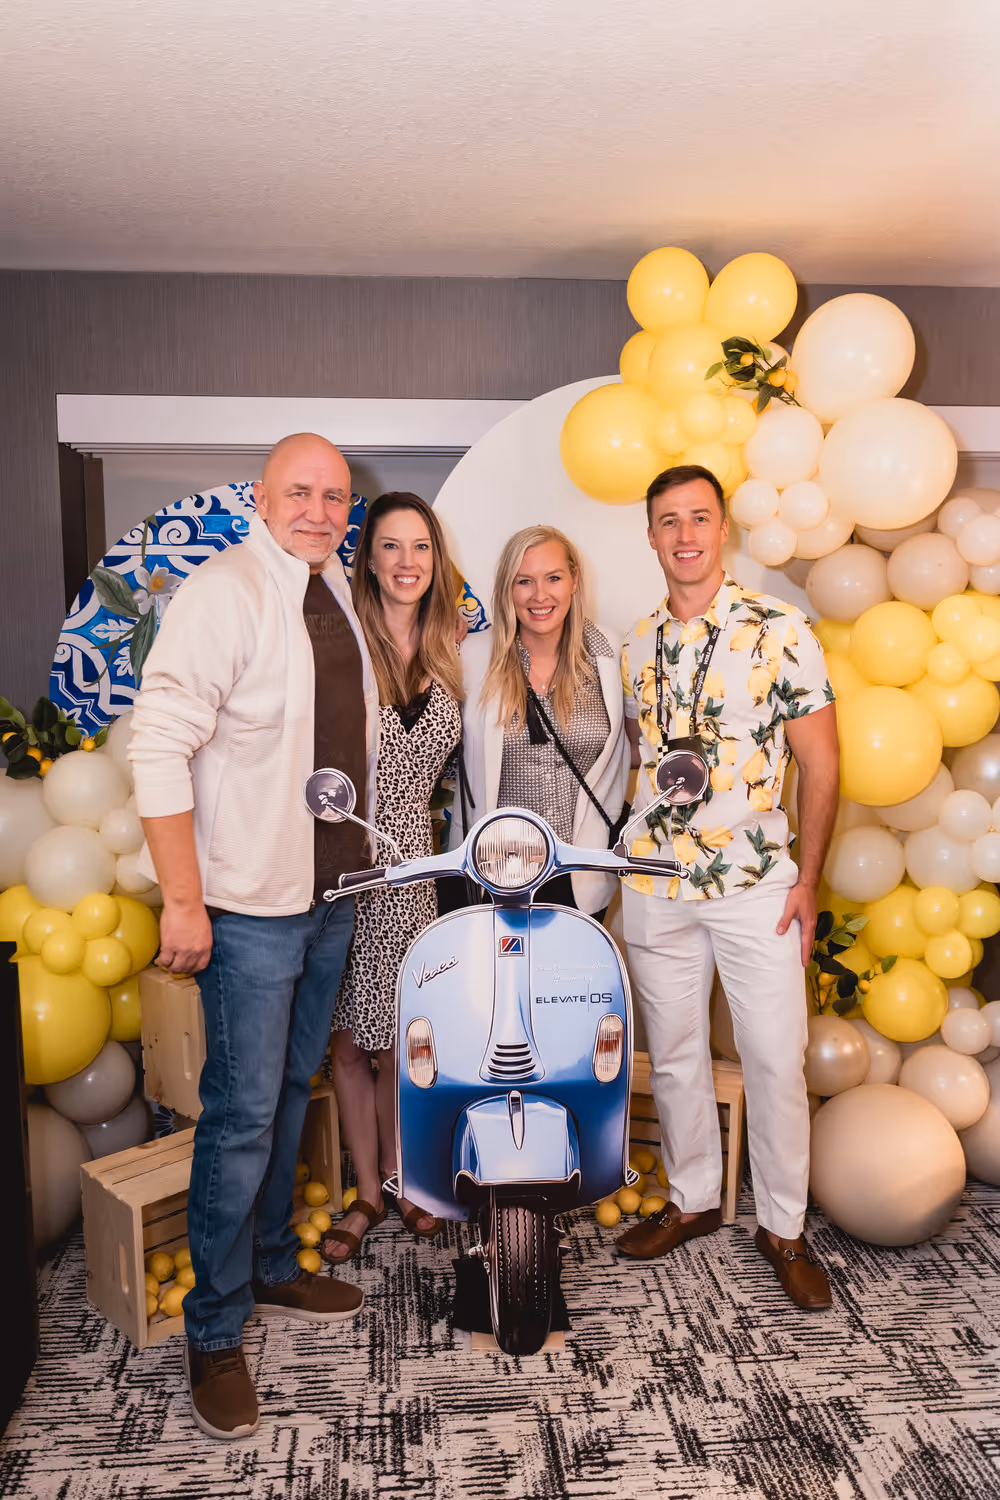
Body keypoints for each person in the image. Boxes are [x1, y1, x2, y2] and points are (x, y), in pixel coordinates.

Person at [129, 433, 379, 1441]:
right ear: (262, 500)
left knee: (285, 1093)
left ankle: (273, 1265)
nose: (318, 511)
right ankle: (213, 1329)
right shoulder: (222, 593)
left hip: (329, 892)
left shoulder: (336, 587)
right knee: (238, 1118)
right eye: (300, 493)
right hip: (249, 908)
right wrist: (183, 900)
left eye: (334, 496)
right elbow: (158, 744)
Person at [614, 464, 840, 1308]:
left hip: (754, 881)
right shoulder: (635, 643)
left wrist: (809, 879)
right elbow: (638, 758)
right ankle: (694, 1200)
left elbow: (822, 763)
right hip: (656, 882)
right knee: (673, 1055)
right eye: (668, 520)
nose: (685, 535)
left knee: (776, 1058)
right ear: (650, 535)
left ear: (723, 529)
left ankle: (783, 1227)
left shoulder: (781, 629)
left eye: (699, 517)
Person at [323, 493, 462, 1262]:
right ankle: (366, 1195)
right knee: (350, 1037)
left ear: (436, 560)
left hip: (416, 869)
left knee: (405, 1033)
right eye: (391, 546)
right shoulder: (341, 643)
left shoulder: (453, 648)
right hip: (346, 860)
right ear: (369, 559)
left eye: (421, 547)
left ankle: (404, 1178)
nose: (407, 562)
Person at [455, 524, 629, 916]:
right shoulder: (472, 657)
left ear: (574, 581)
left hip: (582, 870)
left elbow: (637, 746)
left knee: (576, 959)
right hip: (496, 868)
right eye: (524, 581)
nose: (539, 595)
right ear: (507, 588)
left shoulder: (612, 652)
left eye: (553, 578)